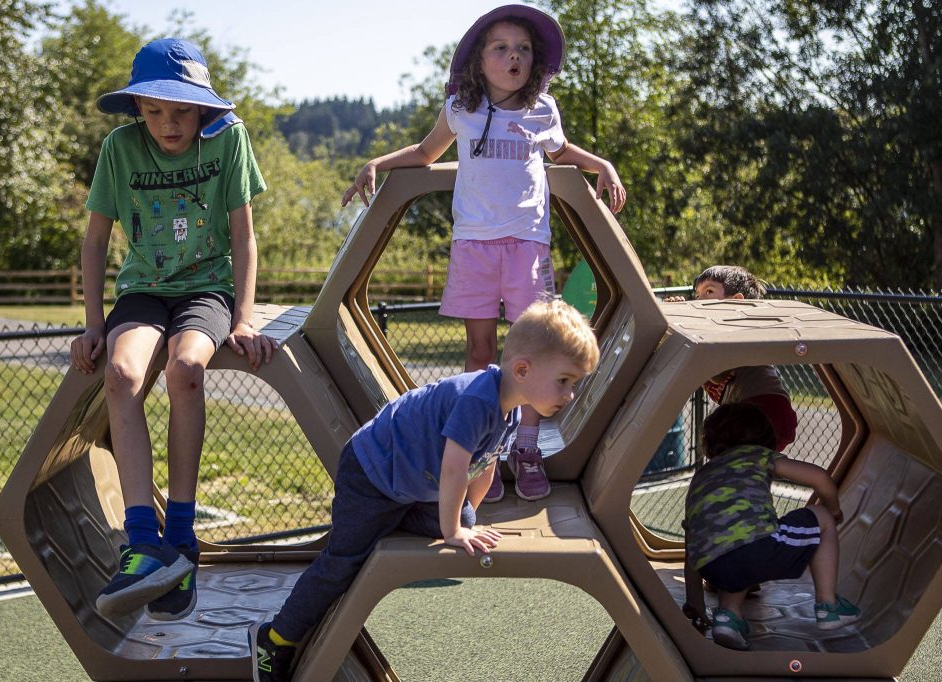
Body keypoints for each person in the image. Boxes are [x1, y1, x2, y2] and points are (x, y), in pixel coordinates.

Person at [341, 4, 625, 503]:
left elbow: (563, 153)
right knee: (480, 353)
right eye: (501, 48)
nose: (513, 57)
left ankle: (527, 447)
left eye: (523, 49)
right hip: (473, 245)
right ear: (479, 60)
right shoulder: (461, 108)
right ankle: (482, 451)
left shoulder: (543, 109)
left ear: (534, 61)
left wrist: (602, 163)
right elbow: (425, 153)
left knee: (538, 352)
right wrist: (375, 163)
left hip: (527, 247)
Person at [249, 299, 600, 682]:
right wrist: (452, 532)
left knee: (462, 517)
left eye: (574, 384)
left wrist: (468, 520)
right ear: (522, 369)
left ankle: (398, 516)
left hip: (412, 480)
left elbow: (482, 467)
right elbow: (454, 469)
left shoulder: (513, 409)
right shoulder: (477, 401)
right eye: (564, 381)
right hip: (373, 473)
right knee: (343, 562)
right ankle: (275, 639)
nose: (569, 395)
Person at [69, 38, 273, 621]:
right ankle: (143, 543)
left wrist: (245, 316)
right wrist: (91, 325)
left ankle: (181, 535)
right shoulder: (120, 148)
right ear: (137, 110)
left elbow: (243, 236)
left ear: (202, 109)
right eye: (154, 111)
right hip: (142, 290)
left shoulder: (228, 139)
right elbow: (95, 241)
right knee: (121, 371)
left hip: (207, 287)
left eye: (181, 111)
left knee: (186, 369)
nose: (168, 124)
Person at [682, 402, 861, 650]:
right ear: (765, 439)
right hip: (760, 551)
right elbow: (820, 478)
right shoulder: (758, 455)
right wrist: (832, 509)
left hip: (713, 568)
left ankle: (728, 617)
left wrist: (696, 602)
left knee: (731, 548)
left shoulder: (701, 476)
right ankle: (829, 605)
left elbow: (691, 547)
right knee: (820, 518)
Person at [669, 265, 798, 451]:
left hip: (764, 411)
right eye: (697, 295)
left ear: (736, 302)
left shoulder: (735, 332)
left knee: (736, 460)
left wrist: (682, 325)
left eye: (709, 291)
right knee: (748, 464)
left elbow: (718, 375)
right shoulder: (713, 333)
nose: (698, 300)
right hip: (753, 411)